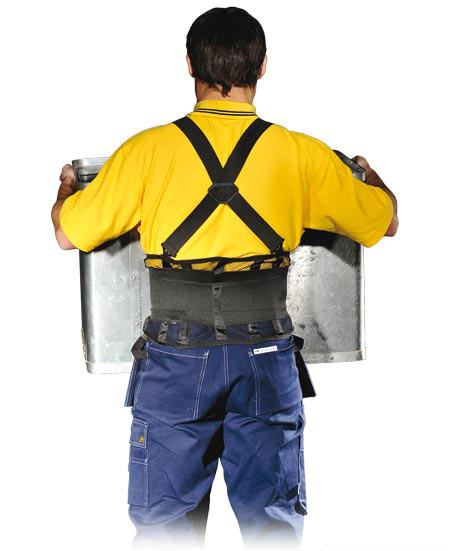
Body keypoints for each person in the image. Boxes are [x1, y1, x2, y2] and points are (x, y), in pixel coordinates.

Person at [51, 6, 399, 550]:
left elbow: (67, 233)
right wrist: (370, 176)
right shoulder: (301, 154)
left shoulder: (145, 151)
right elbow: (386, 221)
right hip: (265, 357)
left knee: (166, 532)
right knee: (272, 531)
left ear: (190, 65)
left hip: (176, 361)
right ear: (262, 67)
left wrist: (66, 189)